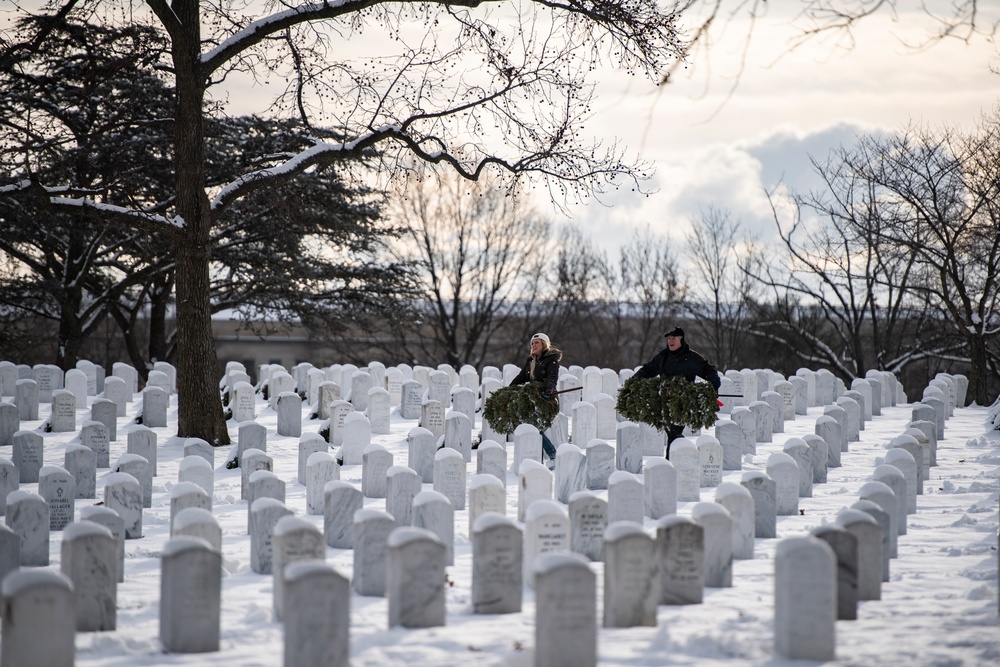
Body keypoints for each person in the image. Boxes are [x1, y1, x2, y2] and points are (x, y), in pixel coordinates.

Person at [633, 326, 721, 456]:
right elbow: (648, 369)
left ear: (681, 340)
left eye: (673, 338)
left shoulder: (692, 358)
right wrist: (634, 381)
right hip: (664, 402)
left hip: (682, 403)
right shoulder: (663, 356)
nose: (670, 341)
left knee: (674, 432)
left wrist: (713, 387)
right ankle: (680, 456)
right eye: (669, 339)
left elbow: (710, 371)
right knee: (671, 432)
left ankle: (672, 460)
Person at [509, 332, 561, 469]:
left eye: (537, 342)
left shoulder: (551, 359)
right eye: (532, 343)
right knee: (529, 426)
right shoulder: (530, 361)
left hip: (546, 399)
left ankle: (553, 454)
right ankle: (534, 457)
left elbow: (552, 377)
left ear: (544, 344)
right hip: (532, 399)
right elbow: (521, 378)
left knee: (535, 426)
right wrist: (508, 390)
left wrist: (549, 390)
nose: (533, 345)